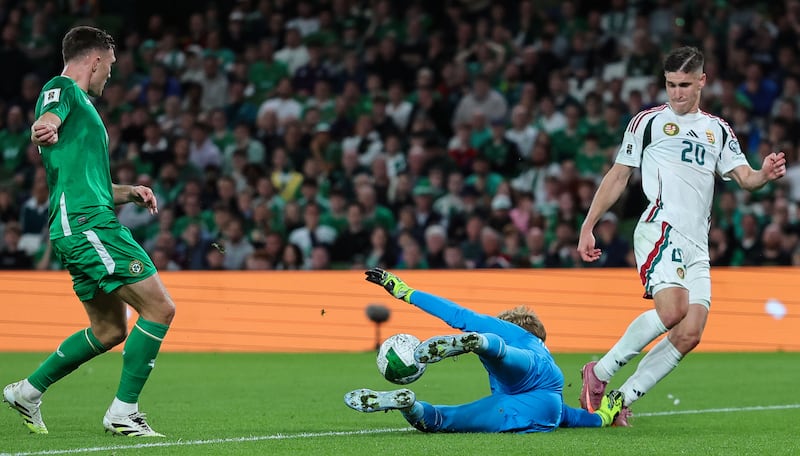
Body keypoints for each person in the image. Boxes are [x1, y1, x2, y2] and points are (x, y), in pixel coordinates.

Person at [576, 46, 787, 426]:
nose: (677, 93)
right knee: (673, 311)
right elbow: (619, 175)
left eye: (685, 85)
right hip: (660, 228)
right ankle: (600, 371)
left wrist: (764, 174)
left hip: (696, 243)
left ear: (702, 81)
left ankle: (621, 399)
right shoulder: (647, 122)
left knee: (691, 332)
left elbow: (746, 178)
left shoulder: (718, 130)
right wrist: (588, 225)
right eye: (671, 84)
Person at [3, 26, 175, 437]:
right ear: (95, 60)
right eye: (110, 65)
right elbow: (47, 117)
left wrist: (129, 192)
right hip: (88, 225)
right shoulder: (62, 89)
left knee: (109, 330)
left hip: (79, 222)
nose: (110, 74)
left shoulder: (83, 111)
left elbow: (92, 184)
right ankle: (124, 412)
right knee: (160, 308)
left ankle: (27, 391)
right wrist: (43, 126)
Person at [344, 268, 623, 433]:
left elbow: (457, 315)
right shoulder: (541, 355)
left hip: (517, 386)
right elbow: (574, 417)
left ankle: (415, 404)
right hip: (540, 406)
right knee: (444, 418)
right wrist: (604, 416)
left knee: (446, 416)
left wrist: (405, 292)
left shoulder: (512, 331)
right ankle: (410, 404)